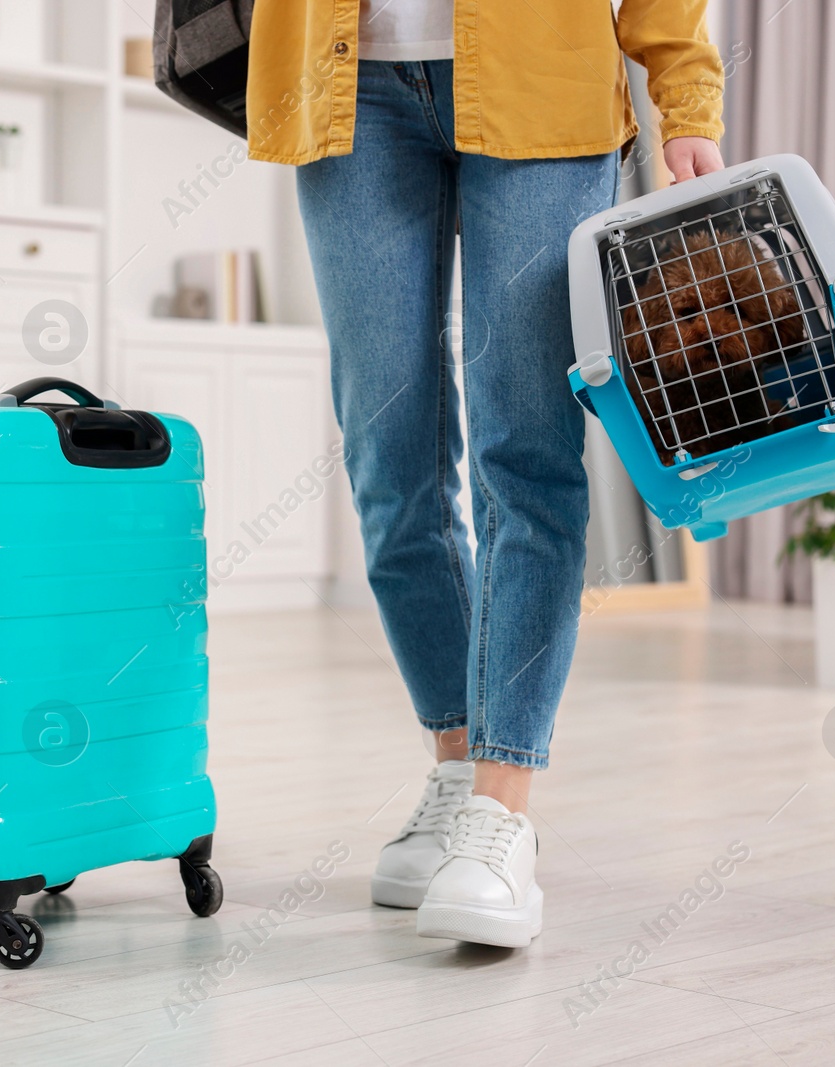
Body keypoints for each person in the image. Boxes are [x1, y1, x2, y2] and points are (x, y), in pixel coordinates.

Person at [246, 1, 726, 948]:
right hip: (344, 88)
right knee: (389, 464)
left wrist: (687, 95)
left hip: (541, 70)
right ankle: (459, 770)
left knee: (525, 453)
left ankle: (502, 809)